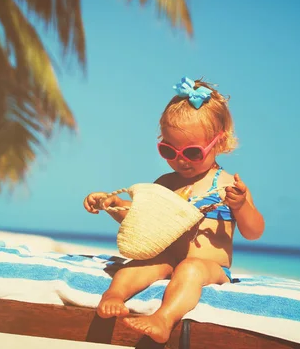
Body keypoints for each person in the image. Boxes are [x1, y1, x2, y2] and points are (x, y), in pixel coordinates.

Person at [83, 77, 265, 343]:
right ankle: (113, 295)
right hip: (168, 258)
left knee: (190, 268)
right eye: (169, 150)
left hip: (210, 267)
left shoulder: (226, 185)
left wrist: (240, 206)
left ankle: (164, 318)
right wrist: (115, 204)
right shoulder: (166, 183)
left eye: (192, 152)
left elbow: (254, 231)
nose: (180, 160)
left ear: (220, 142)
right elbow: (144, 218)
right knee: (141, 263)